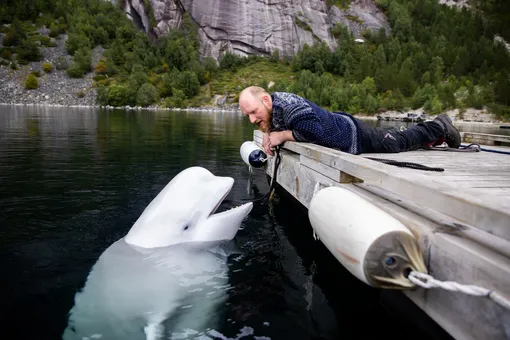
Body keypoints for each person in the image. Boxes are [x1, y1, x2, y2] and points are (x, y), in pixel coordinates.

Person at [238, 86, 461, 156]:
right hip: (344, 126)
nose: (251, 119)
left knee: (396, 144)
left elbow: (312, 131)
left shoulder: (289, 105)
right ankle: (413, 131)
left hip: (353, 135)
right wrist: (268, 131)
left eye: (253, 111)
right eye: (247, 115)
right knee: (391, 137)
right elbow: (275, 121)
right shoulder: (274, 107)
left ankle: (439, 126)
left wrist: (282, 135)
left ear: (266, 100)